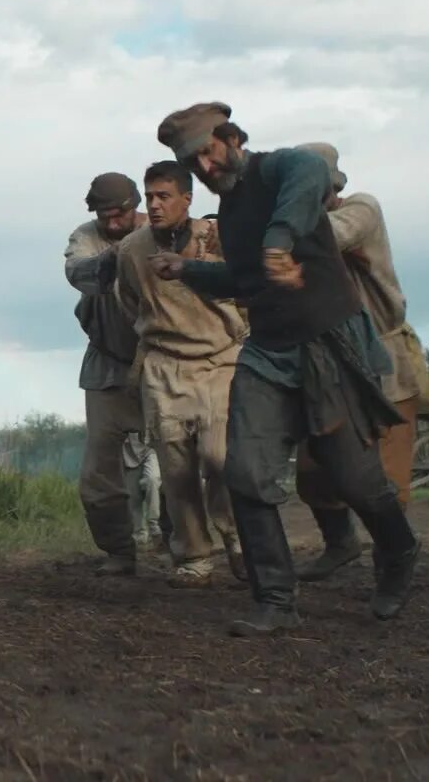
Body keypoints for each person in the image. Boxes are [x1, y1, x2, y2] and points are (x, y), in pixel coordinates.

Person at [148, 102, 420, 636]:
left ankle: (399, 549)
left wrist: (280, 241)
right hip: (268, 353)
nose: (204, 167)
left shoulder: (277, 170)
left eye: (208, 151)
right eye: (193, 161)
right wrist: (190, 271)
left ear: (232, 139)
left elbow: (311, 169)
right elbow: (247, 282)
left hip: (325, 344)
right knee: (244, 471)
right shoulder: (229, 214)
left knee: (354, 478)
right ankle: (275, 599)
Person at [289, 142, 429, 581]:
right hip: (328, 360)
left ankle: (393, 561)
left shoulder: (361, 210)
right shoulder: (292, 227)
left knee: (387, 478)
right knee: (314, 469)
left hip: (384, 360)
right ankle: (340, 543)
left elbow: (331, 235)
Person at [117, 159, 248, 587]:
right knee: (176, 471)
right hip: (163, 365)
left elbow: (245, 290)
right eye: (149, 196)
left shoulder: (215, 238)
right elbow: (130, 301)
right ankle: (194, 556)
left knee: (221, 458)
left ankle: (239, 539)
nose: (154, 205)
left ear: (187, 199)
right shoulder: (133, 249)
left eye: (164, 196)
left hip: (219, 361)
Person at [64, 172, 144, 575]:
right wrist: (120, 253)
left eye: (121, 214)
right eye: (104, 215)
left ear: (136, 205)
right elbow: (79, 273)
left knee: (187, 462)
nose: (112, 222)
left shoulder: (160, 229)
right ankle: (119, 551)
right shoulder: (86, 237)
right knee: (99, 469)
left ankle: (192, 550)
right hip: (107, 362)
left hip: (163, 361)